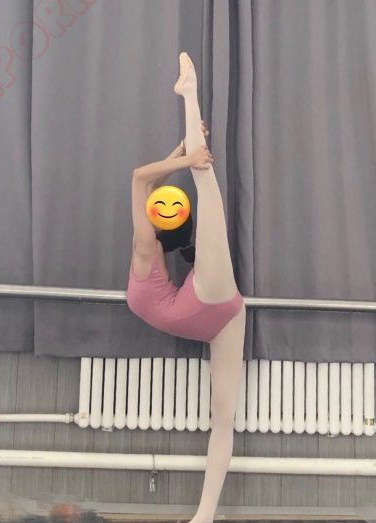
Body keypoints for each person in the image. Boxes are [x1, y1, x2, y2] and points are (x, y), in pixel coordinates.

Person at [127, 52, 246, 523]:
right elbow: (140, 179)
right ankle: (188, 93)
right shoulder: (145, 248)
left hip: (212, 313)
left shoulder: (145, 250)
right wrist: (185, 157)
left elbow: (143, 182)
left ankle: (204, 518)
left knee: (224, 419)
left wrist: (183, 154)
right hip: (216, 311)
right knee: (205, 183)